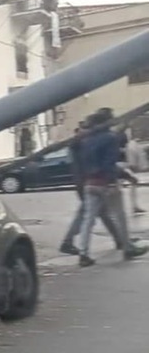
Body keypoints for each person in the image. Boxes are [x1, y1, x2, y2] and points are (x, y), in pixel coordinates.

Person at [77, 110, 148, 267]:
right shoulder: (110, 138)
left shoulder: (86, 139)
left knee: (88, 219)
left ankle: (83, 253)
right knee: (120, 216)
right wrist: (119, 178)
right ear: (107, 121)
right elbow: (109, 163)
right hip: (106, 182)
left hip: (90, 183)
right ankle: (127, 247)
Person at [60, 122, 123, 255]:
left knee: (103, 214)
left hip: (84, 183)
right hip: (88, 183)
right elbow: (102, 163)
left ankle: (119, 239)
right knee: (85, 216)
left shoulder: (78, 145)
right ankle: (68, 242)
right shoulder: (83, 145)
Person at [116, 126, 146, 214]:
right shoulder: (121, 137)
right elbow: (123, 149)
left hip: (119, 164)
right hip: (121, 165)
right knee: (131, 182)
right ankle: (133, 206)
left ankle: (130, 206)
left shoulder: (115, 136)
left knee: (120, 185)